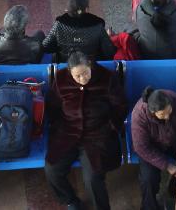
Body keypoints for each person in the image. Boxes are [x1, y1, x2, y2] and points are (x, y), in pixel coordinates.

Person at [45, 52, 127, 210]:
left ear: (90, 65)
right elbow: (53, 105)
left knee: (93, 177)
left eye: (85, 73)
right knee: (52, 169)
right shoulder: (61, 79)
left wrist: (111, 125)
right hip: (68, 132)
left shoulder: (107, 78)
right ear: (70, 72)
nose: (82, 79)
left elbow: (121, 105)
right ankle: (70, 200)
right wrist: (59, 126)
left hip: (97, 135)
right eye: (77, 76)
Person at [131, 86, 176, 210]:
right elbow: (141, 147)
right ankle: (149, 206)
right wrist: (168, 165)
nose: (167, 117)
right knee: (148, 179)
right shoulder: (139, 115)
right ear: (153, 112)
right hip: (153, 149)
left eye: (169, 111)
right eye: (163, 114)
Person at [42, 0, 115, 63]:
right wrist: (108, 37)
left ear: (68, 9)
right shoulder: (98, 25)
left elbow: (45, 46)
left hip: (67, 61)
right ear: (86, 9)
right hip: (90, 62)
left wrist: (59, 46)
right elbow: (110, 51)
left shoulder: (59, 25)